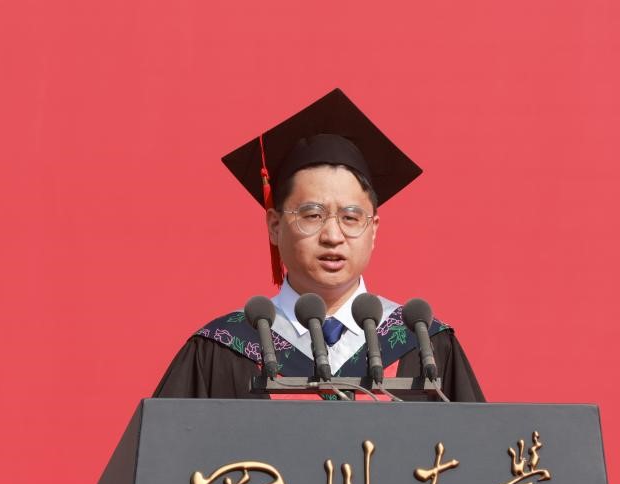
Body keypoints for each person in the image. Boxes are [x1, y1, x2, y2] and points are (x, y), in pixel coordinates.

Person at [154, 89, 484, 402]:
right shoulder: (223, 347)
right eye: (312, 215)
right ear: (274, 226)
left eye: (351, 218)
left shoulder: (424, 345)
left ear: (373, 230)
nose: (332, 236)